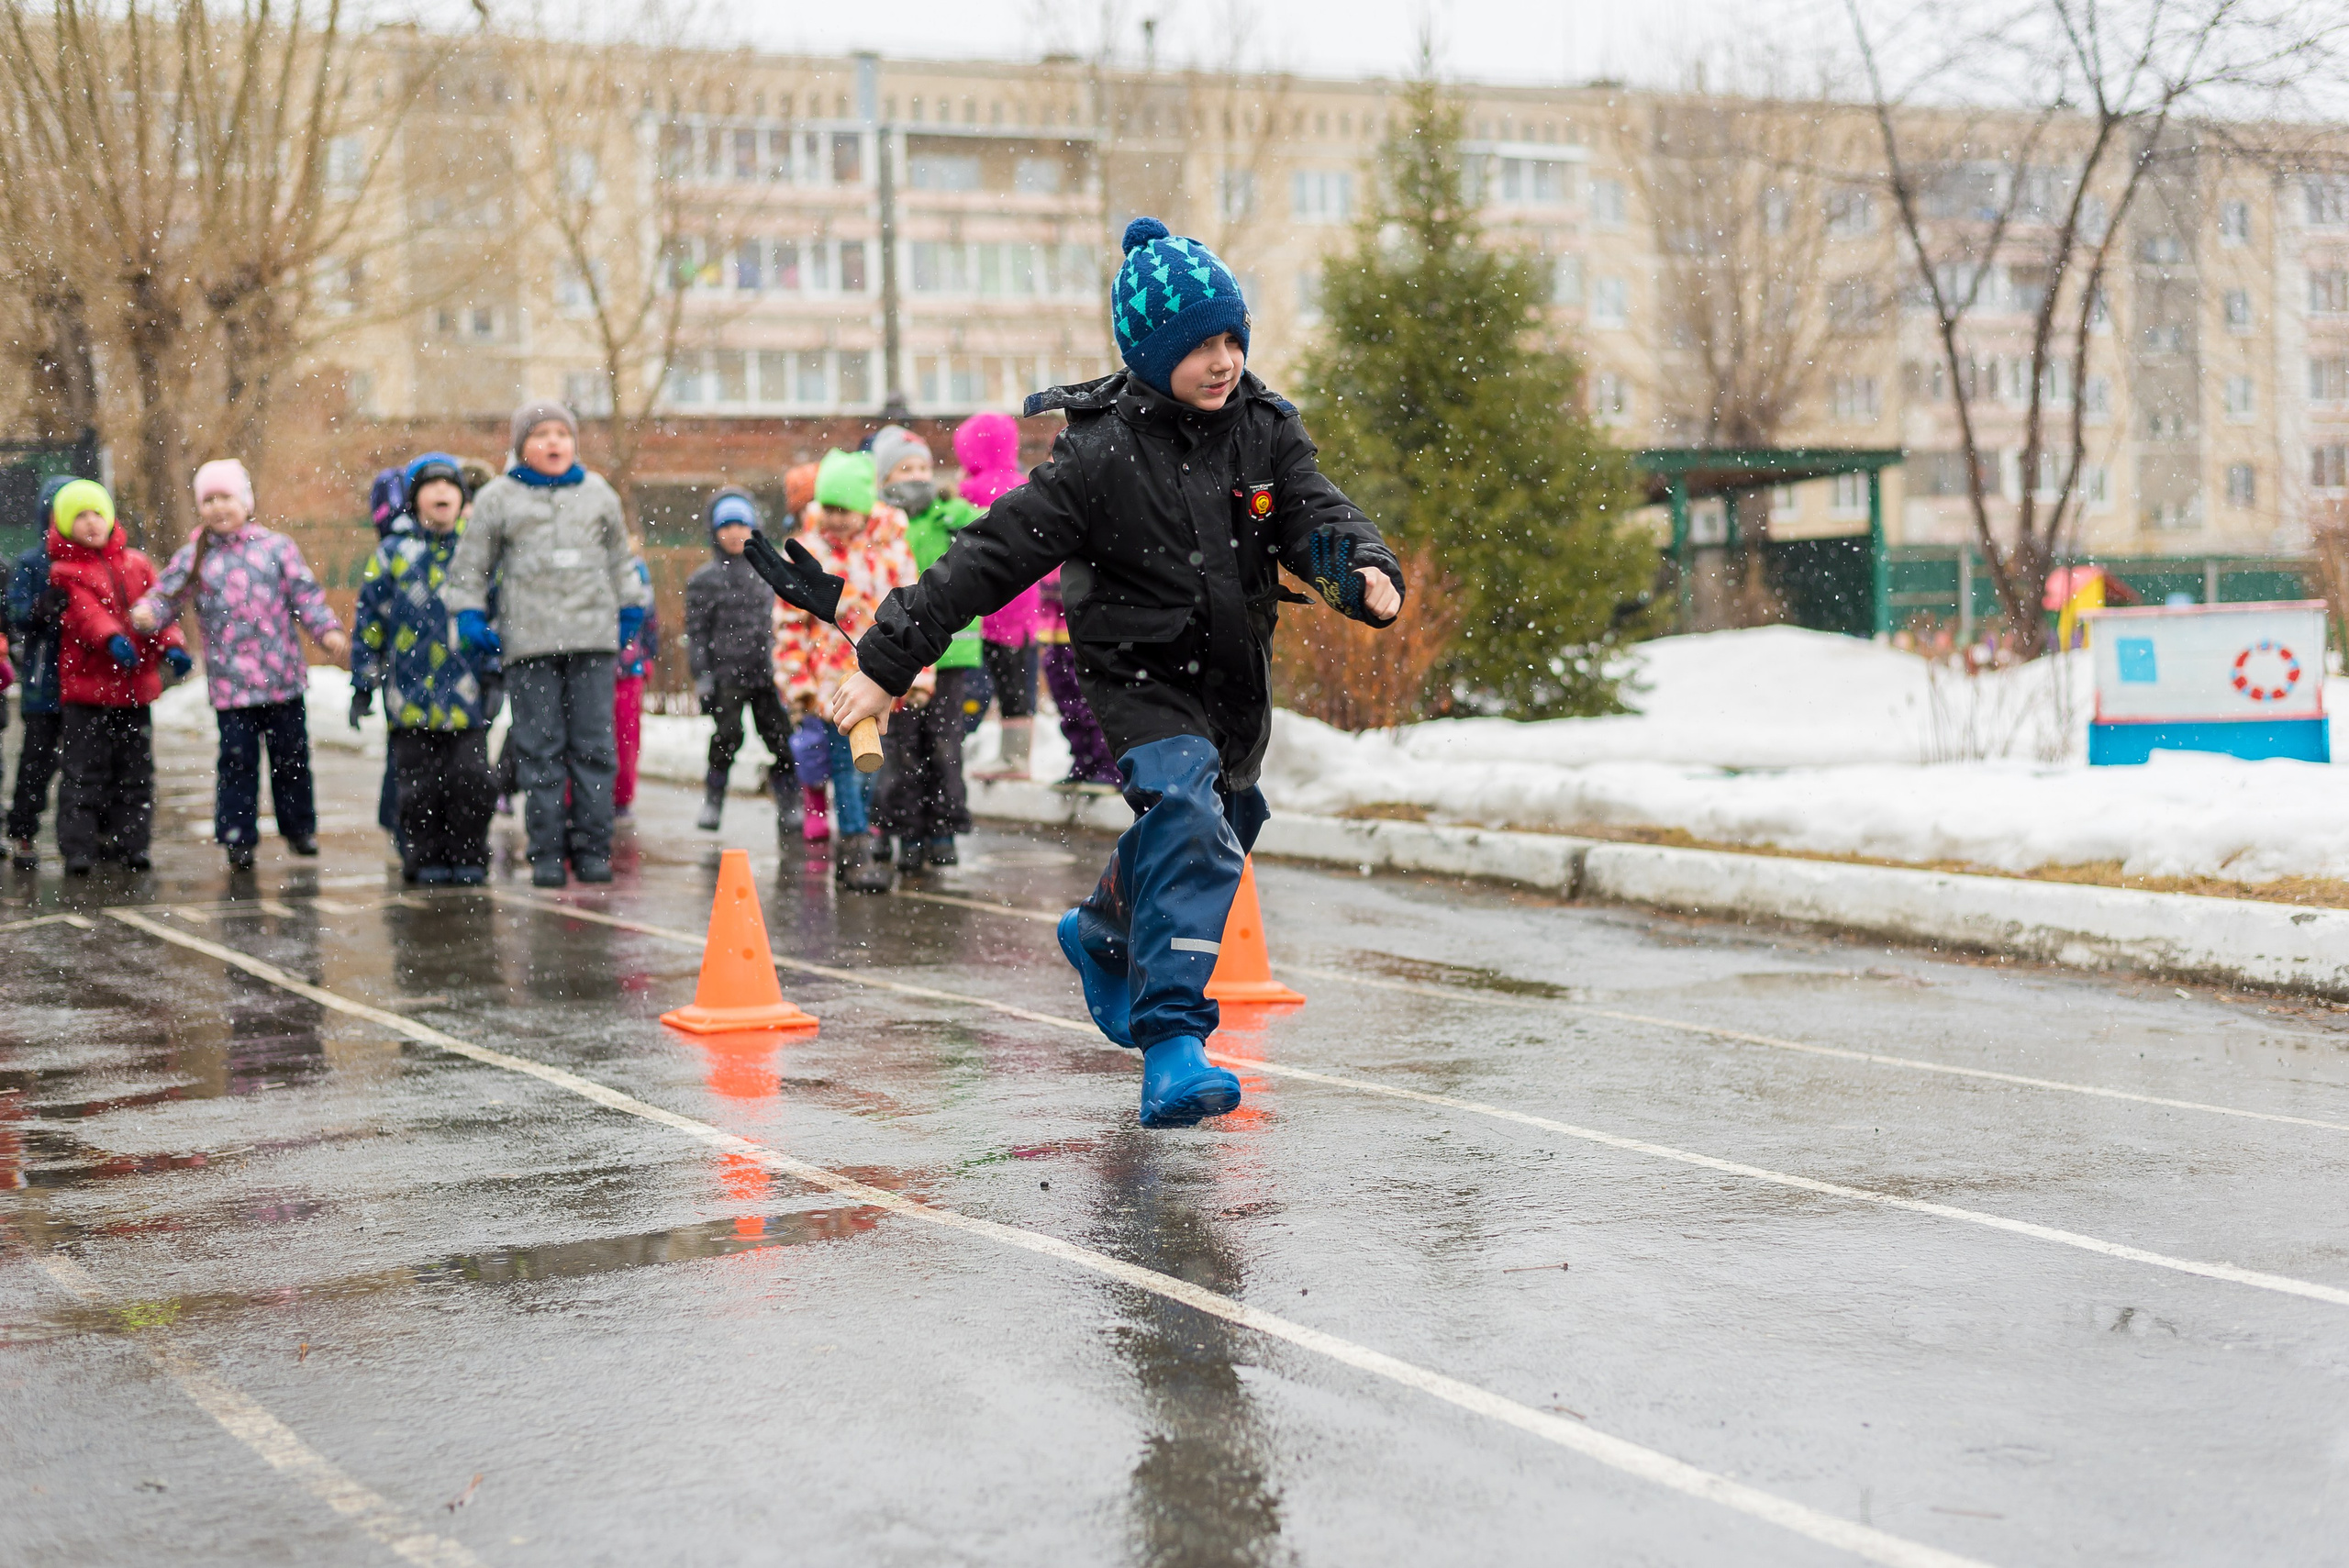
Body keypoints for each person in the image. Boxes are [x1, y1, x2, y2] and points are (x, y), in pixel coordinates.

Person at [828, 217, 1404, 1128]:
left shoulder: (1264, 429)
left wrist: (1359, 570)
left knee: (1226, 823)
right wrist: (888, 660)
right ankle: (1172, 1045)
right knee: (1187, 819)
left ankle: (1103, 928)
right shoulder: (1098, 455)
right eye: (1200, 347)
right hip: (1138, 676)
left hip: (1232, 677)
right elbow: (987, 557)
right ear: (1151, 353)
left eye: (1232, 339)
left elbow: (1311, 517)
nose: (1223, 361)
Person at [442, 399, 646, 888]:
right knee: (539, 750)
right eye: (540, 434)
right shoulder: (498, 498)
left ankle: (592, 848)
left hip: (592, 640)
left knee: (595, 749)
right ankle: (547, 851)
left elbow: (620, 560)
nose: (553, 442)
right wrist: (469, 614)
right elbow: (471, 565)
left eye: (562, 433)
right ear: (521, 446)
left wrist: (631, 606)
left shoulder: (598, 493)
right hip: (530, 644)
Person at [132, 460, 347, 872]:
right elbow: (167, 595)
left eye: (225, 497)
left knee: (291, 760)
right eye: (208, 500)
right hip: (231, 687)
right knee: (237, 764)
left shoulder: (276, 548)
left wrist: (327, 630)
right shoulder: (196, 556)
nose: (217, 507)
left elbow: (305, 596)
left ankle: (300, 828)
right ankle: (237, 837)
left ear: (246, 502)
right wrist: (148, 612)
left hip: (282, 680)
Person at [774, 449, 918, 894]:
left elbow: (914, 614)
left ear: (864, 507)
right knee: (846, 765)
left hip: (882, 678)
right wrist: (797, 679)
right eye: (829, 508)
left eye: (845, 510)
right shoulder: (810, 553)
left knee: (872, 765)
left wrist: (920, 673)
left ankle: (862, 839)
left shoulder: (892, 549)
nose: (835, 519)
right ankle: (854, 849)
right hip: (832, 682)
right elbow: (789, 624)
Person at [351, 453, 499, 884]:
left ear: (463, 498)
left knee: (470, 780)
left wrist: (495, 672)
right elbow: (370, 621)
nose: (441, 492)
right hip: (409, 697)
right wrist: (363, 682)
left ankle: (469, 855)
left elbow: (498, 614)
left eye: (449, 485)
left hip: (466, 695)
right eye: (430, 486)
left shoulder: (477, 552)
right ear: (413, 500)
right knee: (418, 787)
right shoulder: (393, 554)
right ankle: (423, 856)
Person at [46, 480, 189, 874]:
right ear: (64, 524)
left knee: (135, 773)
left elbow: (155, 609)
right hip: (87, 693)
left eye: (97, 513)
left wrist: (171, 644)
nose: (91, 522)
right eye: (80, 516)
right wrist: (111, 638)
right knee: (83, 773)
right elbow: (85, 613)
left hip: (133, 690)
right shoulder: (65, 571)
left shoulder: (137, 564)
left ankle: (133, 844)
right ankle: (79, 847)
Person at [871, 426, 979, 871]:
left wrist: (959, 512)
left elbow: (987, 534)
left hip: (948, 654)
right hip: (901, 654)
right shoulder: (881, 524)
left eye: (922, 467)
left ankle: (943, 828)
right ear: (884, 479)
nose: (917, 476)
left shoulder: (948, 517)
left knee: (944, 743)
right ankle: (906, 830)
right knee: (903, 747)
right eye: (905, 468)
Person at [684, 488, 798, 839]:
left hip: (768, 674)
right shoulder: (703, 581)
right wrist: (703, 677)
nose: (734, 533)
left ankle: (789, 801)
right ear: (714, 532)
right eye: (726, 526)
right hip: (727, 676)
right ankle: (713, 798)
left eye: (741, 525)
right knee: (726, 738)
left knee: (781, 739)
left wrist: (788, 669)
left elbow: (788, 622)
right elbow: (697, 633)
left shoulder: (772, 572)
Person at [953, 414, 1040, 781]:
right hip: (1025, 603)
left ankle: (959, 749)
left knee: (979, 683)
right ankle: (1017, 757)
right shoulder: (1025, 485)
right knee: (1017, 684)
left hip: (986, 606)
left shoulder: (969, 492)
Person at [6, 479, 72, 871]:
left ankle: (88, 835)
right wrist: (40, 608)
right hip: (43, 683)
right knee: (36, 762)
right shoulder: (32, 563)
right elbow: (15, 613)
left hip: (86, 684)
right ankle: (23, 831)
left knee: (86, 765)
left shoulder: (93, 561)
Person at [613, 536, 656, 820]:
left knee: (626, 736)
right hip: (587, 666)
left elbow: (649, 618)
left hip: (628, 668)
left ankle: (622, 797)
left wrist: (648, 655)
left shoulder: (636, 570)